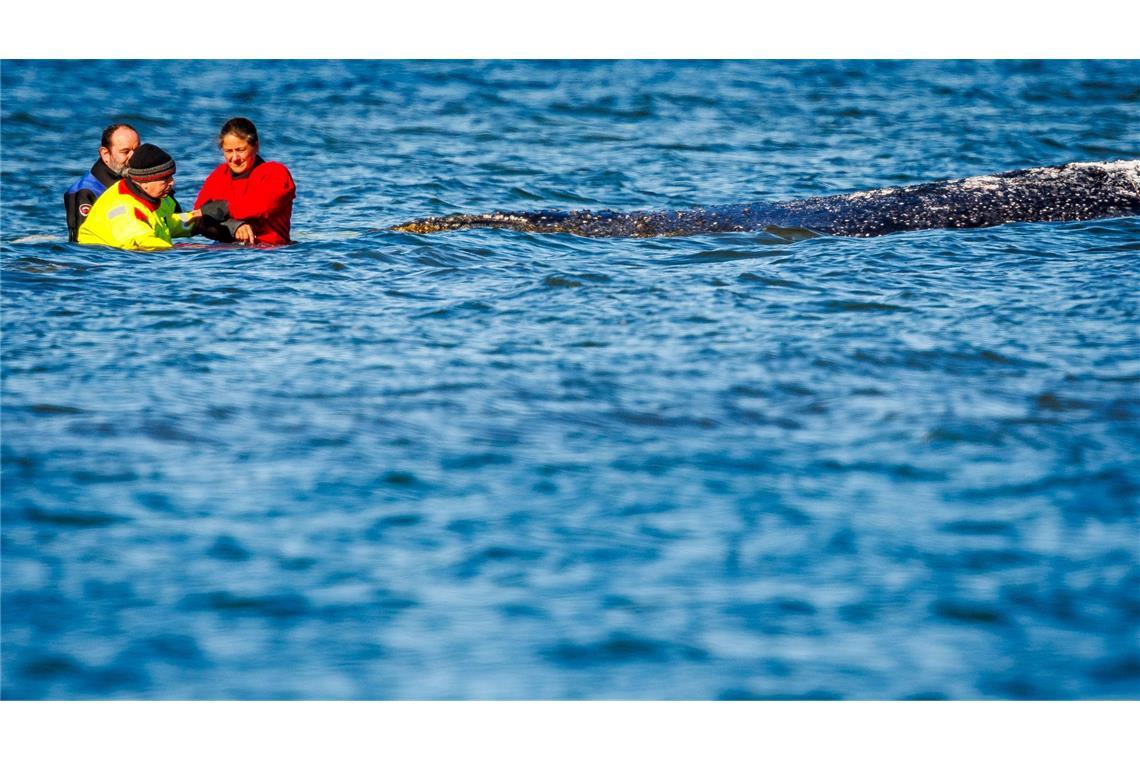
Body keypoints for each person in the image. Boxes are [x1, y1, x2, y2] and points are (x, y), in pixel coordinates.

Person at [77, 144, 210, 250]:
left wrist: (199, 220)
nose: (172, 182)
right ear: (145, 182)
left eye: (172, 176)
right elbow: (144, 242)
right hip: (102, 266)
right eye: (165, 179)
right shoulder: (123, 209)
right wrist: (190, 250)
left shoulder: (145, 196)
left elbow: (163, 222)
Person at [194, 118, 296, 246]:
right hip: (222, 253)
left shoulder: (275, 173)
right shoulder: (219, 175)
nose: (235, 158)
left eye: (241, 150)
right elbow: (198, 217)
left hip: (269, 252)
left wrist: (221, 208)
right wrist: (234, 226)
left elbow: (259, 206)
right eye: (228, 151)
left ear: (256, 146)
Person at [63, 123, 140, 242]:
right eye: (125, 152)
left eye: (137, 150)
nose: (133, 157)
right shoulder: (85, 191)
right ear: (105, 154)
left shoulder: (150, 182)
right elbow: (83, 244)